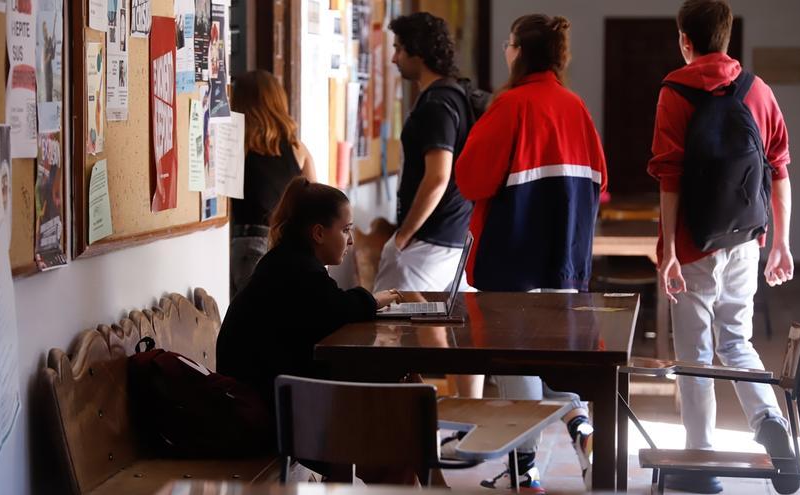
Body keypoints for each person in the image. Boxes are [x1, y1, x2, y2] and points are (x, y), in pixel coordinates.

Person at [454, 14, 607, 493]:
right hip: (565, 262)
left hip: (512, 260)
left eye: (508, 44)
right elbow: (602, 182)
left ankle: (526, 473)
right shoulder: (575, 107)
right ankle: (579, 423)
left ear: (519, 50)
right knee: (549, 360)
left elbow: (471, 180)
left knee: (517, 365)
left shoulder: (510, 105)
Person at [649, 1, 796, 493]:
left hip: (694, 244)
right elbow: (779, 171)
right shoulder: (759, 90)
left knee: (695, 352)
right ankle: (767, 419)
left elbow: (669, 176)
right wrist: (781, 244)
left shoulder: (675, 91)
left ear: (684, 40)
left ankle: (701, 463)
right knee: (737, 340)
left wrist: (668, 249)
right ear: (727, 38)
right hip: (746, 239)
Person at [217, 177, 408, 483]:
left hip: (268, 399)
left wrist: (368, 302)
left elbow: (332, 306)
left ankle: (426, 479)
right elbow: (339, 307)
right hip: (263, 414)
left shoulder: (288, 262)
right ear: (318, 233)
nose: (350, 240)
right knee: (394, 432)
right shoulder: (298, 272)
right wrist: (371, 300)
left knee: (399, 400)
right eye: (345, 230)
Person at [374, 12, 474, 295]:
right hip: (450, 237)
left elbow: (438, 177)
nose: (394, 59)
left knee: (385, 331)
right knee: (433, 334)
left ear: (418, 51)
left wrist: (401, 238)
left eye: (398, 48)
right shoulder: (456, 95)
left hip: (427, 243)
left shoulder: (437, 104)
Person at [229, 70, 317, 295]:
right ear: (278, 101)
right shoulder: (298, 148)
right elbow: (316, 205)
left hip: (245, 242)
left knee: (252, 321)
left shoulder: (235, 144)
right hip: (286, 244)